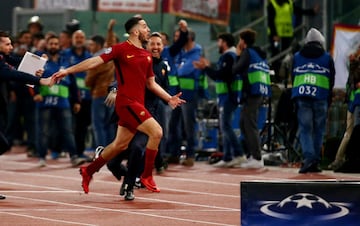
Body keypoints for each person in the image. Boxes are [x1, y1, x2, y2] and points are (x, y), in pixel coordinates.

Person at [51, 17, 185, 194]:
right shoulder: (120, 49)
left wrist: (169, 99)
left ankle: (88, 171)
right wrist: (67, 71)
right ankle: (146, 175)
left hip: (137, 104)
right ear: (135, 31)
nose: (148, 29)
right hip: (126, 103)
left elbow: (151, 84)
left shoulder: (146, 56)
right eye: (145, 27)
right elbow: (94, 61)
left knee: (119, 146)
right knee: (157, 132)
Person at [0, 30, 52, 200]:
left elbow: (17, 62)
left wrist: (38, 62)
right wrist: (39, 80)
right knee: (2, 143)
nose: (11, 47)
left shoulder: (4, 58)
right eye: (7, 44)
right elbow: (12, 73)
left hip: (1, 109)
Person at [193, 33, 246, 168]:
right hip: (227, 96)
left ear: (225, 42)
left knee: (226, 126)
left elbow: (221, 75)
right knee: (224, 126)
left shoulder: (229, 56)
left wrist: (206, 68)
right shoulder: (230, 56)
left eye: (219, 41)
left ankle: (238, 154)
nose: (218, 44)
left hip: (228, 96)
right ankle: (228, 157)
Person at [33, 35, 86, 167]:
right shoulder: (41, 61)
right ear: (47, 45)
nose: (53, 46)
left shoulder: (66, 61)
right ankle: (42, 157)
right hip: (45, 102)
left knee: (67, 130)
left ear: (59, 46)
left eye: (56, 44)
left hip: (63, 102)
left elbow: (73, 83)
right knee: (44, 131)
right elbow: (30, 77)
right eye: (51, 44)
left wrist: (77, 101)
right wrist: (36, 93)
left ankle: (74, 156)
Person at [291, 28, 335, 173]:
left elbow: (293, 76)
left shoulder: (297, 56)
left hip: (302, 95)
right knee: (319, 130)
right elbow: (331, 79)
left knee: (305, 129)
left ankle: (308, 158)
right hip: (321, 96)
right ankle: (315, 161)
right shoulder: (327, 57)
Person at [232, 28, 271, 169]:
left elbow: (236, 69)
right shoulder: (259, 54)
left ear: (243, 41)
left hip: (252, 92)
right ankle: (251, 155)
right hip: (259, 91)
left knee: (249, 124)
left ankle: (257, 157)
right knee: (244, 122)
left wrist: (237, 55)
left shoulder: (247, 53)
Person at [267, 0, 319, 81]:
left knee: (284, 55)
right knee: (275, 54)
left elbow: (298, 11)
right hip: (276, 36)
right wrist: (274, 34)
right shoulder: (273, 4)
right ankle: (275, 76)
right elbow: (270, 20)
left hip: (286, 35)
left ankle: (282, 75)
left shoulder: (289, 3)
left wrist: (311, 11)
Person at [61, 30, 92, 159]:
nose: (79, 39)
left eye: (81, 37)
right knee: (69, 126)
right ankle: (65, 150)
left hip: (87, 97)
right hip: (71, 96)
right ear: (72, 39)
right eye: (76, 37)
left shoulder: (89, 55)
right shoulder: (65, 54)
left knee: (83, 126)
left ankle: (80, 151)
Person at [328, 44, 360, 170]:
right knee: (352, 132)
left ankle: (339, 159)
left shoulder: (353, 64)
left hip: (353, 102)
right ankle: (340, 159)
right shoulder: (356, 65)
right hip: (356, 102)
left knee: (349, 133)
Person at [85, 34, 116, 148]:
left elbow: (88, 81)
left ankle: (101, 151)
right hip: (111, 94)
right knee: (110, 125)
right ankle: (111, 151)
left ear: (98, 45)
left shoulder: (96, 60)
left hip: (99, 94)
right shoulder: (111, 57)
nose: (90, 47)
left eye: (92, 45)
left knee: (98, 125)